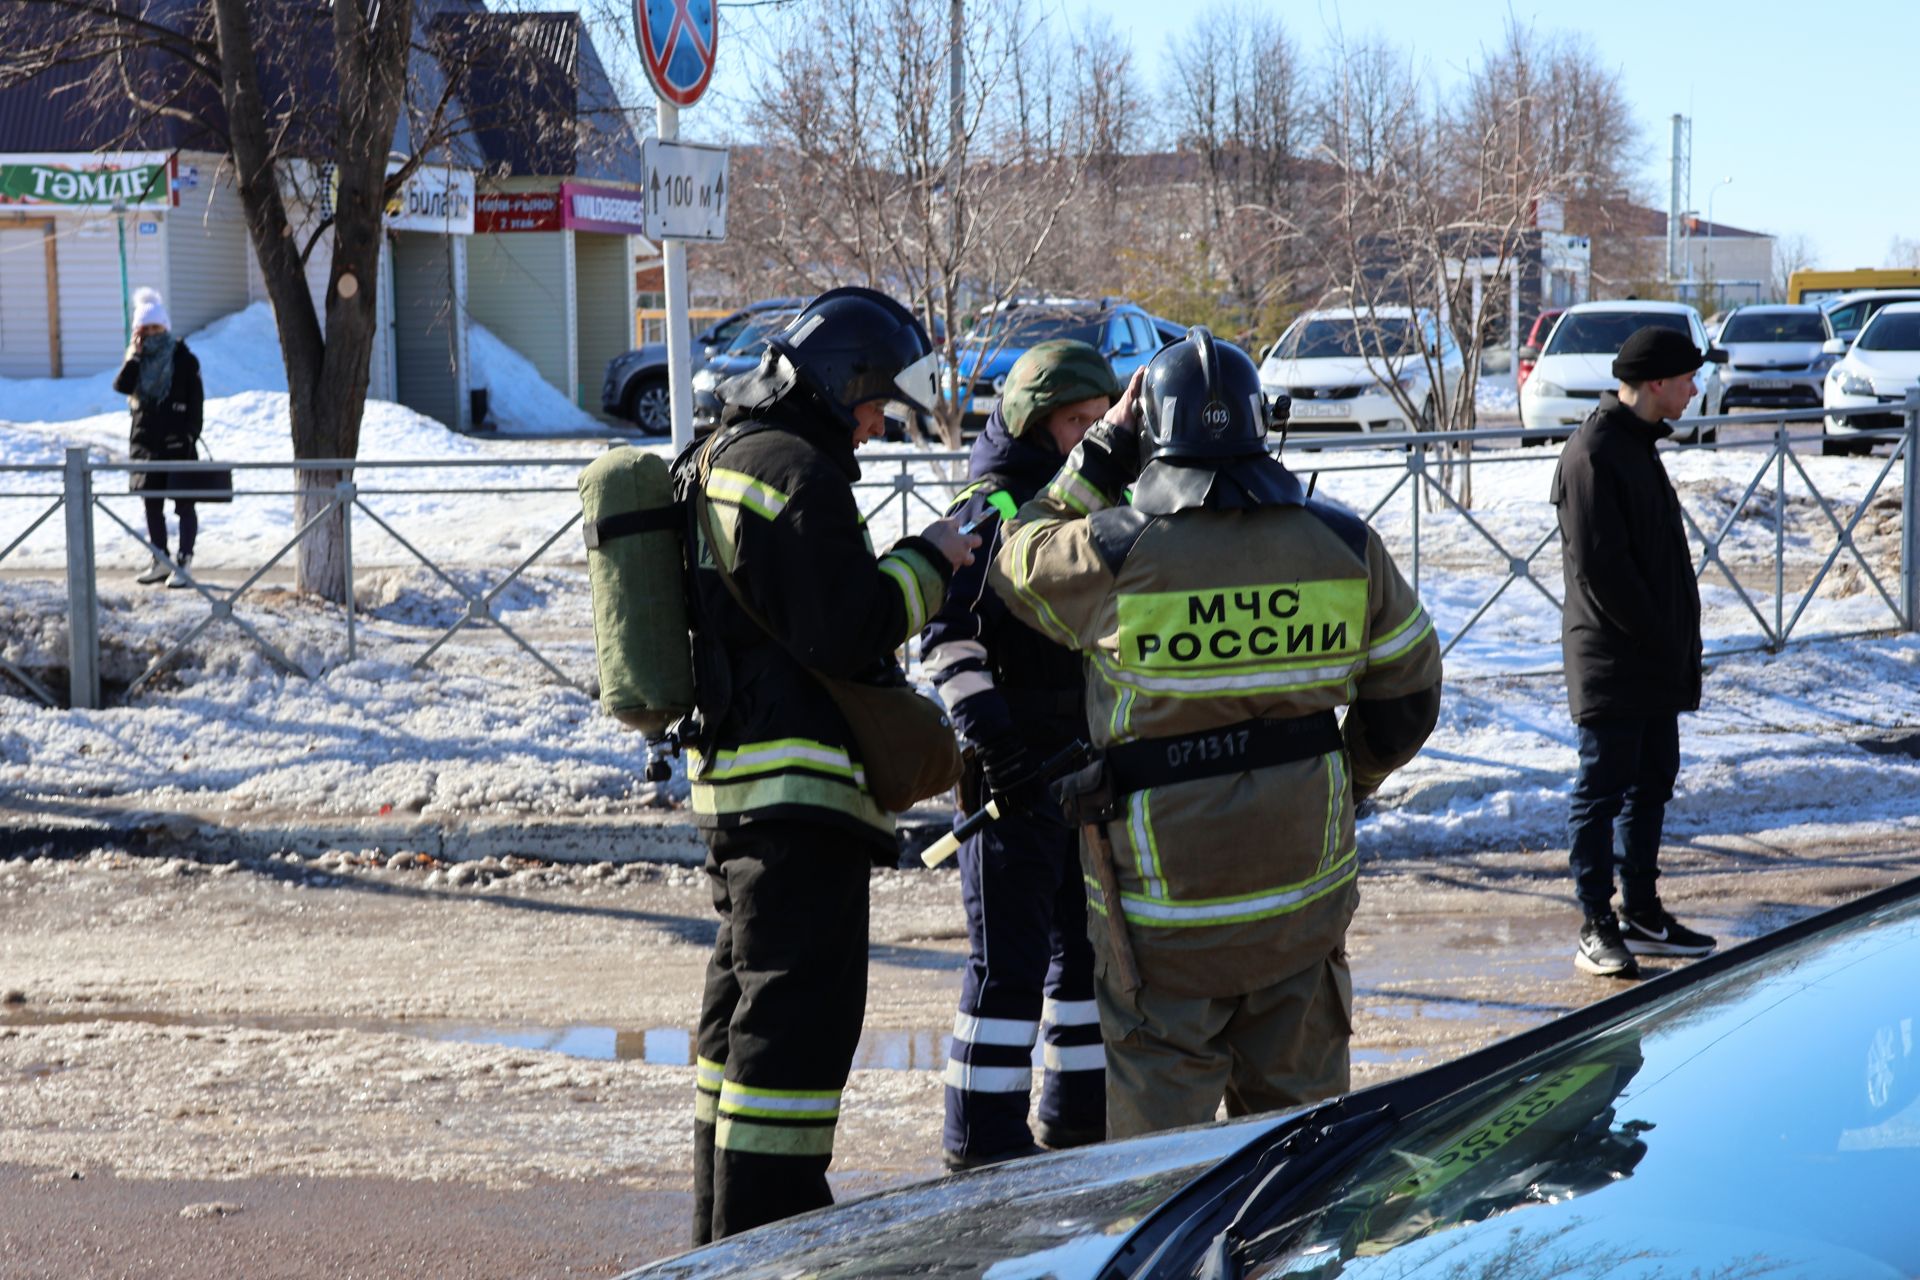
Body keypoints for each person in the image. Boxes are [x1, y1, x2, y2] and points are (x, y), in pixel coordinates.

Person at [988, 327, 1442, 1139]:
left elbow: (1017, 556)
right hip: (1302, 910)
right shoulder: (1345, 545)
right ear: (1264, 422)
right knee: (1300, 1165)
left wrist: (1099, 453)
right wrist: (1349, 780)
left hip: (1163, 930)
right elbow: (1407, 699)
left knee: (1164, 1181)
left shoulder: (1116, 552)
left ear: (1151, 433)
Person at [682, 286, 978, 1242]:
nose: (873, 422)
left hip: (736, 794)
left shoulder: (721, 453)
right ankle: (771, 1238)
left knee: (736, 1030)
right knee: (793, 1037)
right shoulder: (796, 470)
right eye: (872, 400)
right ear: (839, 378)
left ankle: (718, 1239)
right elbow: (847, 628)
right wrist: (930, 560)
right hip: (799, 801)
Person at [922, 341, 1118, 1171]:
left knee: (1086, 951)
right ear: (1038, 423)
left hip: (1081, 771)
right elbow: (943, 635)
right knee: (1007, 965)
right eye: (1076, 422)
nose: (1089, 437)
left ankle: (1079, 1114)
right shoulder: (992, 505)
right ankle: (983, 1137)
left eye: (1099, 421)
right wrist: (994, 745)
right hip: (1008, 773)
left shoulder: (1090, 502)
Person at [1550, 325, 1721, 980]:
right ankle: (1596, 922)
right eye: (1686, 380)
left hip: (1651, 658)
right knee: (1603, 788)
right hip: (1613, 660)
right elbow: (1603, 570)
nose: (1694, 390)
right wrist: (1657, 636)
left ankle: (1642, 912)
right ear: (1656, 384)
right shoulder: (1593, 452)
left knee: (1650, 784)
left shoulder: (1637, 446)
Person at [113, 288, 205, 588]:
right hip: (146, 444)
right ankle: (160, 560)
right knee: (151, 504)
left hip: (178, 443)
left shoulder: (184, 359)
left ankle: (184, 562)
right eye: (146, 328)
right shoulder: (135, 361)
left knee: (184, 504)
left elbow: (196, 402)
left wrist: (189, 434)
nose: (152, 333)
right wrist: (136, 357)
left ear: (165, 327)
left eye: (156, 327)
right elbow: (122, 386)